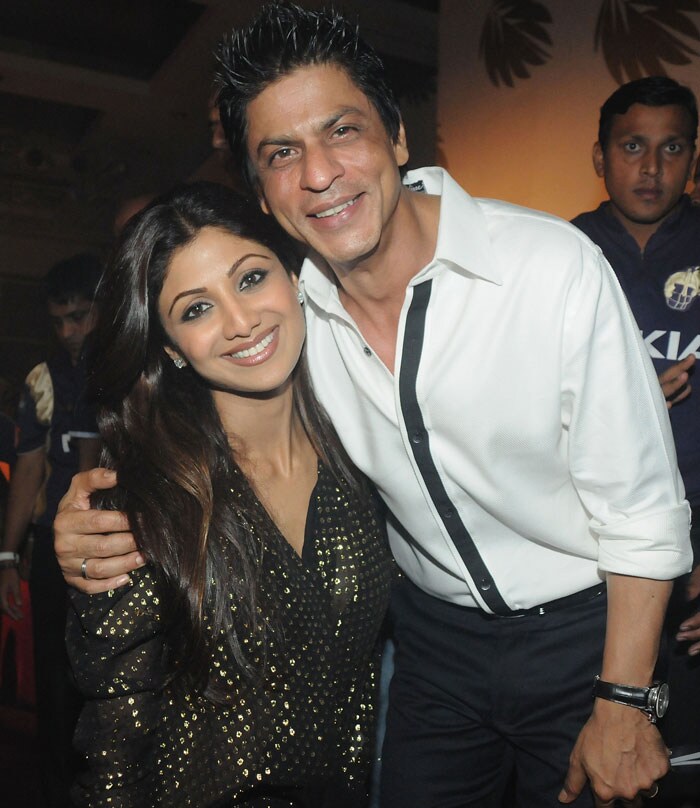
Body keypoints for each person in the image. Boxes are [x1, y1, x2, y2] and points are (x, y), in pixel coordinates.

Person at [54, 3, 692, 806]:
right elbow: (198, 410)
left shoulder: (549, 268)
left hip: (587, 635)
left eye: (342, 131)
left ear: (396, 137)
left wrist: (625, 700)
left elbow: (643, 507)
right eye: (282, 153)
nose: (318, 173)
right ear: (260, 186)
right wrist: (97, 514)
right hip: (431, 651)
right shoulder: (291, 318)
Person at [63, 181, 392, 807]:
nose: (241, 324)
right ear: (171, 350)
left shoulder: (369, 458)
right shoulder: (141, 506)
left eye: (249, 278)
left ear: (294, 275)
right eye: (196, 309)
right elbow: (114, 751)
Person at [571, 76, 700, 803]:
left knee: (681, 757)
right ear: (600, 155)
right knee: (602, 742)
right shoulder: (561, 255)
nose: (651, 167)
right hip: (593, 537)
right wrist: (618, 403)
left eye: (672, 147)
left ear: (693, 157)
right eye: (632, 146)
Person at [0, 253, 101, 808]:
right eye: (59, 320)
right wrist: (6, 558)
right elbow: (28, 471)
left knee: (112, 685)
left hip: (125, 549)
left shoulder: (138, 366)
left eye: (80, 317)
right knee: (55, 688)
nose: (69, 332)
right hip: (54, 551)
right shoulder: (43, 380)